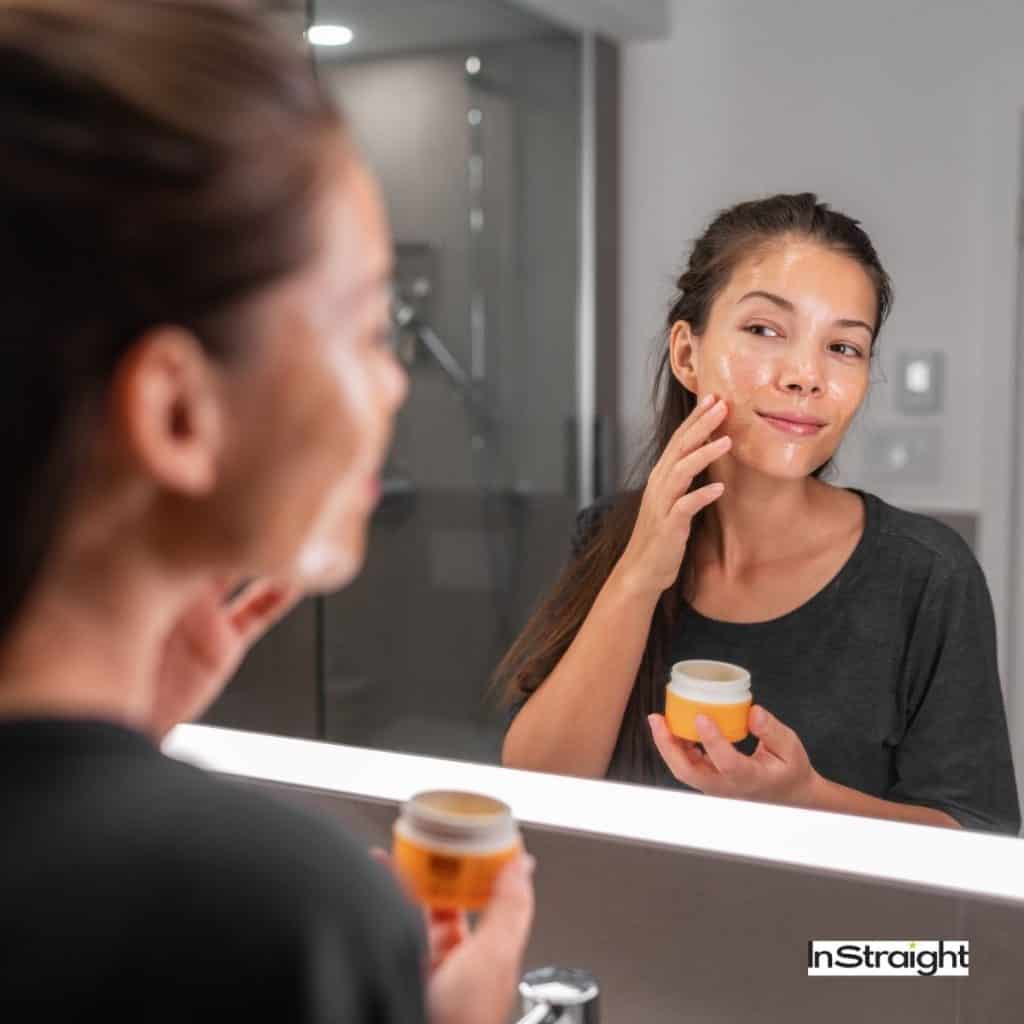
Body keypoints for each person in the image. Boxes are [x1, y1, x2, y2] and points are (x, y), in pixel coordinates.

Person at [0, 2, 533, 1020]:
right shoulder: (270, 917)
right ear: (176, 408)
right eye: (368, 326)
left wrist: (122, 740)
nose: (393, 384)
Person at [499, 192, 1020, 835]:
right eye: (765, 330)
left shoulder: (928, 576)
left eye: (844, 348)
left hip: (837, 941)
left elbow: (983, 839)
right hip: (634, 930)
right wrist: (638, 574)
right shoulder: (610, 535)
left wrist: (807, 799)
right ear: (687, 355)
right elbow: (535, 790)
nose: (806, 375)